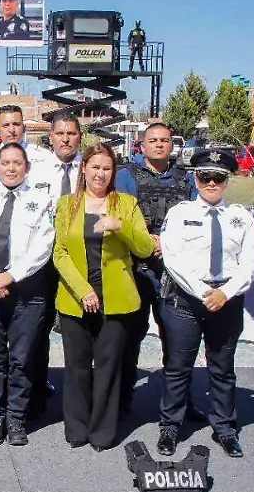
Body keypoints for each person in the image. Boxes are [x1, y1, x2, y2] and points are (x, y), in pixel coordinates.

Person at [157, 149, 254, 458]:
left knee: (222, 368)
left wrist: (225, 294)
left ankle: (225, 428)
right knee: (178, 368)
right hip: (186, 300)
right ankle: (170, 427)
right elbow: (172, 259)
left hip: (226, 300)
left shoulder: (240, 217)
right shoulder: (179, 214)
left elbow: (250, 261)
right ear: (195, 178)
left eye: (218, 178)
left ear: (226, 181)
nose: (211, 183)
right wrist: (205, 292)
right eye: (205, 177)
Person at [52, 142, 154, 451]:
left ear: (114, 172)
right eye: (95, 167)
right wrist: (83, 291)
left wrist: (120, 226)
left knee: (109, 368)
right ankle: (78, 429)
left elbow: (145, 248)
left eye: (107, 168)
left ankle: (102, 433)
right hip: (76, 298)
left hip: (117, 299)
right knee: (77, 366)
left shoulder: (126, 203)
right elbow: (60, 254)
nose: (100, 173)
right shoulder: (67, 204)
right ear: (83, 168)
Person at [0, 143, 54, 446]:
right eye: (6, 163)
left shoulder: (41, 200)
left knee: (22, 358)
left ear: (26, 167)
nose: (11, 168)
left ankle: (17, 419)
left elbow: (43, 246)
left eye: (17, 163)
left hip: (26, 289)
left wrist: (10, 276)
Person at [114, 122, 199, 418]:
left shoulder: (185, 179)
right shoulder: (125, 176)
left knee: (177, 341)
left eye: (164, 140)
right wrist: (145, 241)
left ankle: (180, 403)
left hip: (173, 273)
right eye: (153, 140)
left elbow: (195, 221)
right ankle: (120, 400)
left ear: (172, 144)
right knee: (128, 337)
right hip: (136, 271)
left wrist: (168, 243)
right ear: (142, 144)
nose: (159, 145)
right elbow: (118, 217)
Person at [24, 112, 87, 413]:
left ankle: (81, 395)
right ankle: (36, 387)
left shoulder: (90, 170)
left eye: (71, 133)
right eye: (60, 133)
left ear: (79, 137)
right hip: (43, 259)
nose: (65, 139)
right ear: (50, 137)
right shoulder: (34, 170)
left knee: (81, 327)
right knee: (39, 325)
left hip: (80, 260)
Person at [0, 105, 55, 169]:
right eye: (6, 125)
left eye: (16, 124)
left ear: (24, 128)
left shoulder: (43, 156)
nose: (11, 130)